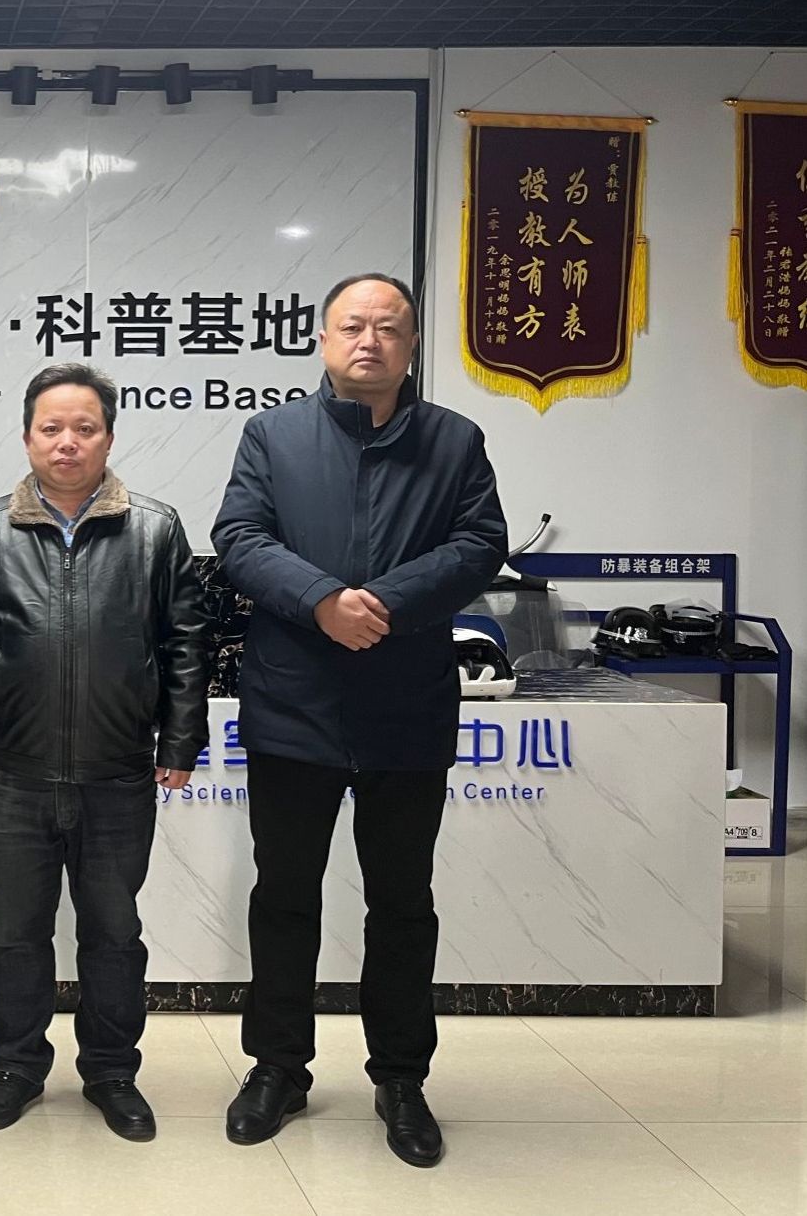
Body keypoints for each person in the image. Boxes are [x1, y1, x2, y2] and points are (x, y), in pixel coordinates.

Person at [210, 272, 507, 1168]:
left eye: (388, 327)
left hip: (405, 707)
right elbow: (240, 537)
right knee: (284, 896)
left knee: (403, 903)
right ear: (323, 339)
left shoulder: (454, 441)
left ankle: (401, 1077)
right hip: (293, 704)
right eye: (352, 326)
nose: (369, 340)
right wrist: (322, 601)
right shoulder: (273, 435)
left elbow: (480, 544)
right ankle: (277, 1067)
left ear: (411, 344)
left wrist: (381, 603)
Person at [0, 362, 209, 1143]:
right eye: (51, 428)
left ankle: (112, 1072)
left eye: (84, 428)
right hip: (14, 776)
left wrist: (179, 738)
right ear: (27, 438)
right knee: (15, 932)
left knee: (114, 934)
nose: (67, 442)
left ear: (109, 437)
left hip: (118, 775)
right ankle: (16, 1067)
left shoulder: (154, 530)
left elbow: (186, 642)